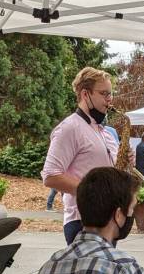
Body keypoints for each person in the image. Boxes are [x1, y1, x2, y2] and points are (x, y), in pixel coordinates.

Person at [42, 67, 120, 244]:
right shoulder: (70, 128)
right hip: (82, 221)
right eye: (104, 94)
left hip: (107, 219)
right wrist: (94, 193)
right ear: (86, 94)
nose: (110, 100)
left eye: (111, 94)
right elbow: (50, 176)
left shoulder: (104, 132)